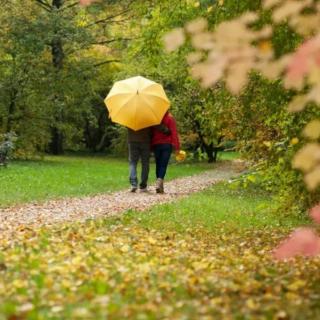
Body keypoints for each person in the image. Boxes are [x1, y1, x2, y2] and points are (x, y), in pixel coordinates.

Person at [151, 111, 180, 193]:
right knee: (163, 165)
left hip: (156, 144)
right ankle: (159, 184)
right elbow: (174, 133)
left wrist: (150, 146)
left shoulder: (155, 119)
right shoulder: (170, 118)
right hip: (167, 145)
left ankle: (160, 186)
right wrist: (177, 147)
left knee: (158, 164)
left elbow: (151, 133)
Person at [127, 127, 152, 192]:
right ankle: (143, 186)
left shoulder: (129, 118)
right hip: (145, 141)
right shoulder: (148, 118)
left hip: (132, 141)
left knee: (133, 162)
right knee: (145, 163)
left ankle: (134, 184)